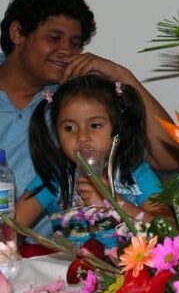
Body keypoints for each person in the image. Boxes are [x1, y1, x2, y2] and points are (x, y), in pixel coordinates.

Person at [0, 0, 179, 198]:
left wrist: (123, 77)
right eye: (54, 38)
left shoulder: (76, 103)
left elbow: (172, 158)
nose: (66, 50)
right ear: (18, 33)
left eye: (75, 43)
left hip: (70, 231)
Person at [15, 74, 170, 246]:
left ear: (119, 126)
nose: (82, 136)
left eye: (95, 125)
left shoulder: (138, 174)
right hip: (66, 270)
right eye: (69, 128)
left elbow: (168, 230)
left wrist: (113, 201)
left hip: (128, 269)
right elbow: (11, 226)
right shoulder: (55, 178)